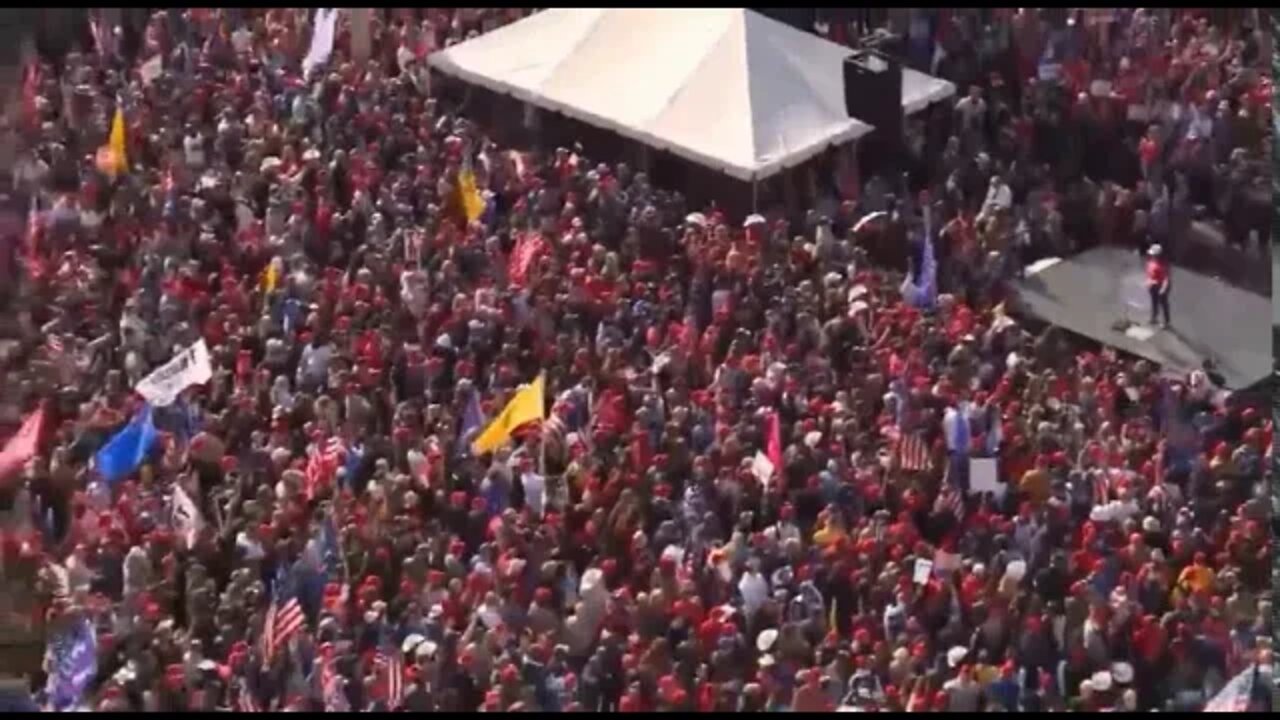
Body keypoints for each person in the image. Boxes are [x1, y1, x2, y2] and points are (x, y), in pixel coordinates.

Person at [1144, 244, 1171, 328]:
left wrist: (1163, 289)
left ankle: (1166, 322)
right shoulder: (1150, 261)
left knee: (1163, 304)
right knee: (1154, 302)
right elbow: (1149, 274)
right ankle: (1154, 317)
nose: (1152, 255)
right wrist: (1148, 282)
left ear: (1158, 255)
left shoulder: (1162, 265)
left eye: (1154, 254)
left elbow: (1166, 278)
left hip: (1160, 286)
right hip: (1152, 286)